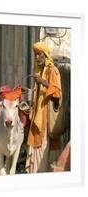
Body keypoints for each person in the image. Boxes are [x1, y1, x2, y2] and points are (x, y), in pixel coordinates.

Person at [25, 42, 62, 173]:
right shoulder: (39, 70)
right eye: (35, 55)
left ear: (45, 55)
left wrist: (44, 82)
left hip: (45, 119)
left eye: (38, 54)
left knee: (42, 152)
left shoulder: (53, 70)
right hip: (37, 117)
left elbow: (57, 95)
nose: (36, 58)